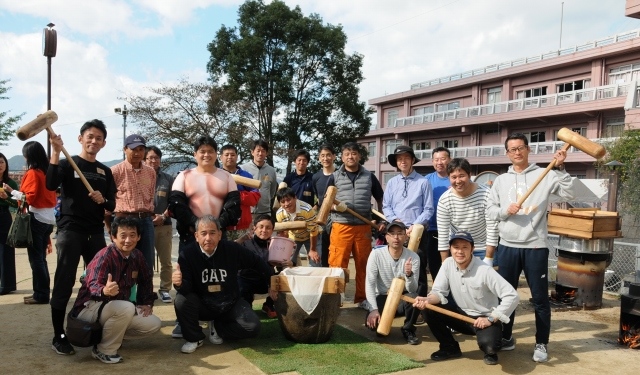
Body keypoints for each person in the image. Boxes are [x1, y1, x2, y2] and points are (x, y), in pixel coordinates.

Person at [486, 132, 575, 363]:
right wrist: (507, 211)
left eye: (520, 148)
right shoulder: (500, 181)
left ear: (528, 149)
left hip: (535, 246)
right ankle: (506, 337)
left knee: (539, 299)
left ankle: (541, 343)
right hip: (507, 246)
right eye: (512, 149)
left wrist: (562, 168)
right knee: (506, 296)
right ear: (507, 153)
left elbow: (570, 193)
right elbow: (490, 212)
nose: (517, 152)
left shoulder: (545, 175)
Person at [47, 119, 117, 355]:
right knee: (64, 281)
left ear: (104, 143)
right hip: (70, 231)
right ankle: (60, 336)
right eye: (90, 136)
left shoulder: (105, 171)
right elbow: (50, 184)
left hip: (95, 232)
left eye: (98, 138)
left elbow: (112, 202)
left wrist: (103, 201)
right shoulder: (68, 164)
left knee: (99, 282)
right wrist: (55, 152)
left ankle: (95, 331)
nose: (93, 141)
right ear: (80, 138)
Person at [413, 231, 519, 365]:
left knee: (491, 346)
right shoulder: (447, 264)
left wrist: (491, 318)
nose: (460, 251)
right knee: (429, 308)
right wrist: (427, 300)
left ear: (472, 249)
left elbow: (512, 295)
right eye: (456, 247)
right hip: (461, 316)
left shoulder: (485, 270)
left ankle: (490, 349)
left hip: (484, 319)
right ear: (450, 249)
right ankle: (449, 347)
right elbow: (438, 292)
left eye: (465, 247)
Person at [172, 215, 271, 353]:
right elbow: (186, 288)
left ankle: (218, 327)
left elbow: (257, 262)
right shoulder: (187, 254)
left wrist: (272, 283)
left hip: (229, 303)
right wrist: (179, 283)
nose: (208, 238)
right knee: (181, 300)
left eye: (212, 233)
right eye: (203, 233)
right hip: (203, 304)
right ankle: (195, 337)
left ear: (220, 234)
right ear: (196, 236)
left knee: (252, 327)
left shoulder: (232, 249)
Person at [71, 217, 161, 364]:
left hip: (115, 308)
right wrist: (104, 290)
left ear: (139, 237)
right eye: (123, 236)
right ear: (113, 237)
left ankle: (112, 334)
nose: (128, 240)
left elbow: (145, 280)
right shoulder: (105, 255)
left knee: (153, 323)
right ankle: (104, 350)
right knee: (126, 307)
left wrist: (146, 302)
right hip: (89, 308)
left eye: (132, 235)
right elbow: (92, 282)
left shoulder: (137, 255)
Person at [327, 142, 385, 308]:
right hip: (340, 226)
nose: (350, 156)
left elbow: (380, 198)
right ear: (342, 157)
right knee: (337, 264)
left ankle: (362, 299)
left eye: (354, 153)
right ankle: (335, 298)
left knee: (364, 264)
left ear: (359, 156)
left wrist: (380, 220)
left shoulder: (369, 176)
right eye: (347, 154)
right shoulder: (335, 176)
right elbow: (326, 201)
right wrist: (335, 206)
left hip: (363, 227)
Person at [382, 145, 433, 322]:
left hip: (416, 233)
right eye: (399, 159)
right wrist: (396, 221)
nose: (402, 161)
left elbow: (428, 209)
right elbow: (386, 206)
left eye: (406, 158)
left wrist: (415, 225)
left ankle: (420, 310)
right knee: (397, 269)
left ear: (412, 160)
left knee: (418, 273)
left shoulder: (423, 182)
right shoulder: (392, 182)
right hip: (396, 232)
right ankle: (400, 305)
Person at [4, 141, 56, 305]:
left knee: (36, 260)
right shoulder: (47, 172)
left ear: (28, 156)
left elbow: (29, 197)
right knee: (41, 259)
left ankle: (40, 294)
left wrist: (11, 192)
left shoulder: (33, 173)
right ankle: (41, 293)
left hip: (37, 217)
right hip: (48, 219)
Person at [168, 136, 240, 250]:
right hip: (190, 233)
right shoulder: (184, 176)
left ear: (216, 154)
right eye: (202, 151)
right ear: (195, 154)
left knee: (220, 266)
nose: (207, 155)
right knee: (189, 267)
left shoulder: (227, 177)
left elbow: (234, 206)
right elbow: (176, 205)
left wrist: (217, 226)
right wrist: (196, 224)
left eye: (210, 151)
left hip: (218, 233)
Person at [364, 222, 421, 345]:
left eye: (400, 234)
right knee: (373, 327)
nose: (396, 238)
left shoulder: (414, 257)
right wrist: (373, 309)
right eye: (392, 234)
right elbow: (369, 283)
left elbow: (412, 288)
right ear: (387, 237)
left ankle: (408, 329)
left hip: (402, 296)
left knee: (414, 297)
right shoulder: (376, 254)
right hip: (383, 296)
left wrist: (409, 274)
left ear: (406, 237)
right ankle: (383, 316)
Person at [436, 158, 498, 261]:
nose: (458, 181)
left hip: (483, 248)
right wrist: (444, 263)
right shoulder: (444, 200)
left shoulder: (486, 194)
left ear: (469, 175)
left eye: (462, 176)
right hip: (458, 249)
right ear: (449, 178)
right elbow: (443, 234)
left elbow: (492, 228)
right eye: (454, 177)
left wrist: (489, 258)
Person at [110, 134, 156, 272]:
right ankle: (122, 293)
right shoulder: (115, 171)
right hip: (123, 220)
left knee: (146, 262)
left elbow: (151, 196)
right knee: (122, 261)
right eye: (133, 149)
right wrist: (109, 225)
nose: (137, 153)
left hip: (146, 220)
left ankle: (145, 292)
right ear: (125, 149)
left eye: (141, 149)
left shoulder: (150, 171)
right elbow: (110, 199)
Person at [239, 214, 287, 318]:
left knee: (284, 278)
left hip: (265, 281)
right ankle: (247, 306)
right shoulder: (245, 243)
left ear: (272, 230)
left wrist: (272, 282)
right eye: (261, 227)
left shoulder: (277, 245)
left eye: (268, 228)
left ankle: (269, 305)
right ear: (254, 228)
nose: (264, 230)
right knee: (242, 290)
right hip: (246, 280)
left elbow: (283, 265)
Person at [144, 146, 174, 303]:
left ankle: (165, 289)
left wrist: (163, 216)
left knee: (166, 261)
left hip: (164, 226)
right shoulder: (140, 176)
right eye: (150, 158)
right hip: (144, 225)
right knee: (144, 260)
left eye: (156, 158)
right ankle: (146, 289)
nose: (153, 160)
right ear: (145, 159)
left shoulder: (168, 179)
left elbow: (174, 202)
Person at [219, 144, 260, 241]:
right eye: (227, 155)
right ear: (221, 157)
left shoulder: (246, 176)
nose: (230, 157)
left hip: (243, 226)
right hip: (221, 224)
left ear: (237, 157)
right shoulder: (216, 175)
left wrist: (237, 196)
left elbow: (255, 197)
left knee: (243, 254)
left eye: (232, 155)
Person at [423, 146, 451, 281]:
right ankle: (438, 294)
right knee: (434, 265)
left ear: (449, 160)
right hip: (433, 230)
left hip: (453, 231)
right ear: (432, 162)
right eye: (436, 159)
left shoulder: (455, 177)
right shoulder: (426, 180)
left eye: (443, 159)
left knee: (453, 264)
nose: (439, 162)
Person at [275, 187, 320, 266]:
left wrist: (313, 250)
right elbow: (284, 232)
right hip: (294, 237)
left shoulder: (307, 210)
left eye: (288, 200)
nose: (286, 204)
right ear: (279, 203)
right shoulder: (279, 214)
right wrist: (284, 249)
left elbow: (313, 231)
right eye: (282, 202)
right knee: (287, 263)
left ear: (295, 198)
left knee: (315, 262)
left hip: (310, 237)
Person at [240, 139, 278, 219]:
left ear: (266, 153)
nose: (260, 154)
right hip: (247, 211)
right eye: (258, 151)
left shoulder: (271, 170)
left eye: (263, 151)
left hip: (265, 212)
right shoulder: (243, 169)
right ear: (252, 152)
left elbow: (272, 192)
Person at [311, 143, 336, 267]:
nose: (325, 158)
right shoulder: (316, 177)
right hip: (322, 217)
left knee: (336, 247)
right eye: (322, 156)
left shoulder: (339, 175)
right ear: (319, 158)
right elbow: (317, 198)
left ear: (334, 157)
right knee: (324, 247)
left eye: (328, 155)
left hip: (337, 215)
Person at [0, 153, 18, 295]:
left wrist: (6, 198)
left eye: (2, 162)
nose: (0, 165)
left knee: (5, 251)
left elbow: (17, 204)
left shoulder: (10, 183)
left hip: (4, 216)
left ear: (6, 165)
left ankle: (7, 285)